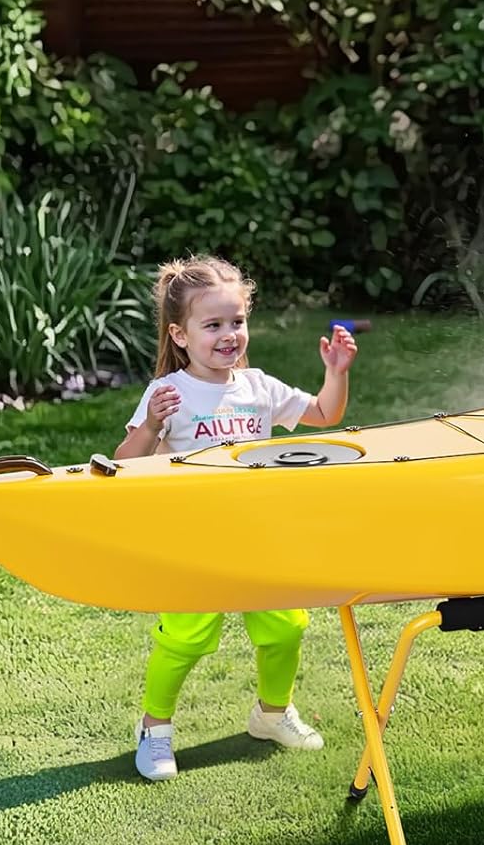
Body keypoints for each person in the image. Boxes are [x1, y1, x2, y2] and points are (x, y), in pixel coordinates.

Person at [116, 255, 358, 782]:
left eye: (237, 321)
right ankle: (154, 729)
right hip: (194, 542)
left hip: (260, 537)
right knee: (185, 639)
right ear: (180, 335)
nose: (229, 335)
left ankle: (272, 714)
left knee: (285, 628)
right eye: (213, 325)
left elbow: (325, 414)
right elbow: (126, 461)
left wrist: (335, 374)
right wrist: (151, 426)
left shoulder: (258, 387)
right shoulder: (168, 393)